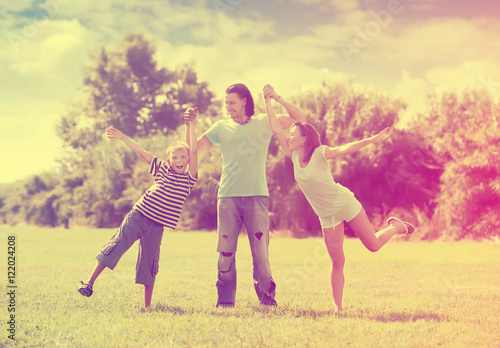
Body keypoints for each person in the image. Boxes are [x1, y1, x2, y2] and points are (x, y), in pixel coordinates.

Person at [264, 87, 415, 314]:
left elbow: (345, 148)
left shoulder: (320, 153)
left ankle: (395, 227)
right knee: (337, 262)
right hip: (327, 215)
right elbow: (276, 127)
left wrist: (371, 140)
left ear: (304, 139)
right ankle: (338, 309)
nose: (289, 136)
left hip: (344, 203)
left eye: (294, 134)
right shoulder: (293, 155)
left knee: (373, 246)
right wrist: (268, 100)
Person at [184, 83, 307, 307]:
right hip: (228, 197)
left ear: (244, 101)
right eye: (225, 102)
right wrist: (189, 125)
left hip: (257, 196)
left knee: (260, 254)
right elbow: (192, 149)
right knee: (225, 254)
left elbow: (301, 120)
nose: (227, 106)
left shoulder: (264, 121)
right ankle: (225, 302)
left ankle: (267, 299)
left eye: (232, 102)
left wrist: (276, 96)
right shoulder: (220, 127)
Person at [77, 116, 198, 308]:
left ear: (189, 159)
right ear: (169, 160)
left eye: (183, 157)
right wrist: (122, 137)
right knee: (116, 245)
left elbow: (195, 150)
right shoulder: (163, 169)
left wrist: (190, 124)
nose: (179, 160)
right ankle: (89, 283)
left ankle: (147, 306)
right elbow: (142, 151)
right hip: (138, 215)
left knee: (149, 262)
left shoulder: (190, 179)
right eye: (175, 157)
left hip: (157, 226)